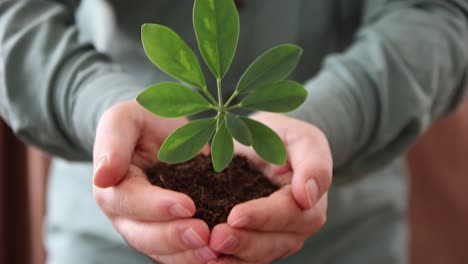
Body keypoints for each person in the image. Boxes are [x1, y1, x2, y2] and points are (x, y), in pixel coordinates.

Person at [1, 0, 467, 263]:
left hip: (340, 228)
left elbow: (438, 14)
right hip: (116, 221)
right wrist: (96, 104)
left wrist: (333, 114)